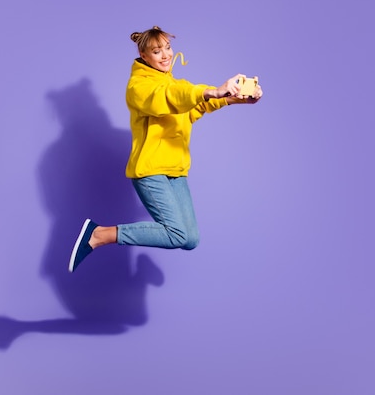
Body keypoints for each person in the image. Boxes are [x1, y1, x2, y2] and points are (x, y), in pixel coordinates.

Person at [69, 26, 263, 272]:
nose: (165, 55)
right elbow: (168, 96)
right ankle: (99, 234)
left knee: (189, 239)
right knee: (176, 234)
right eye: (156, 51)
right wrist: (210, 90)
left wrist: (233, 98)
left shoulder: (173, 84)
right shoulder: (139, 87)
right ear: (144, 55)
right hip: (151, 171)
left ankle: (101, 234)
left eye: (167, 48)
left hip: (176, 170)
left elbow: (192, 108)